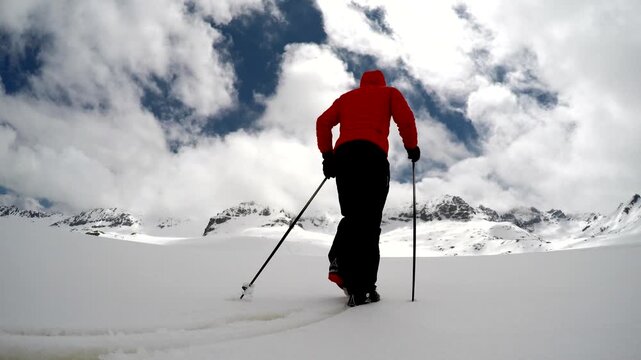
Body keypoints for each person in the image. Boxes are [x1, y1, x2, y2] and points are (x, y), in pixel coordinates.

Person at [316, 69, 420, 307]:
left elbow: (323, 122)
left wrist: (328, 157)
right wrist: (411, 147)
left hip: (345, 159)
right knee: (370, 222)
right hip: (372, 158)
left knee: (352, 216)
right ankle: (364, 287)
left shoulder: (346, 98)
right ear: (381, 82)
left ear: (362, 84)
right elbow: (405, 119)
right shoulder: (389, 94)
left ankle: (340, 265)